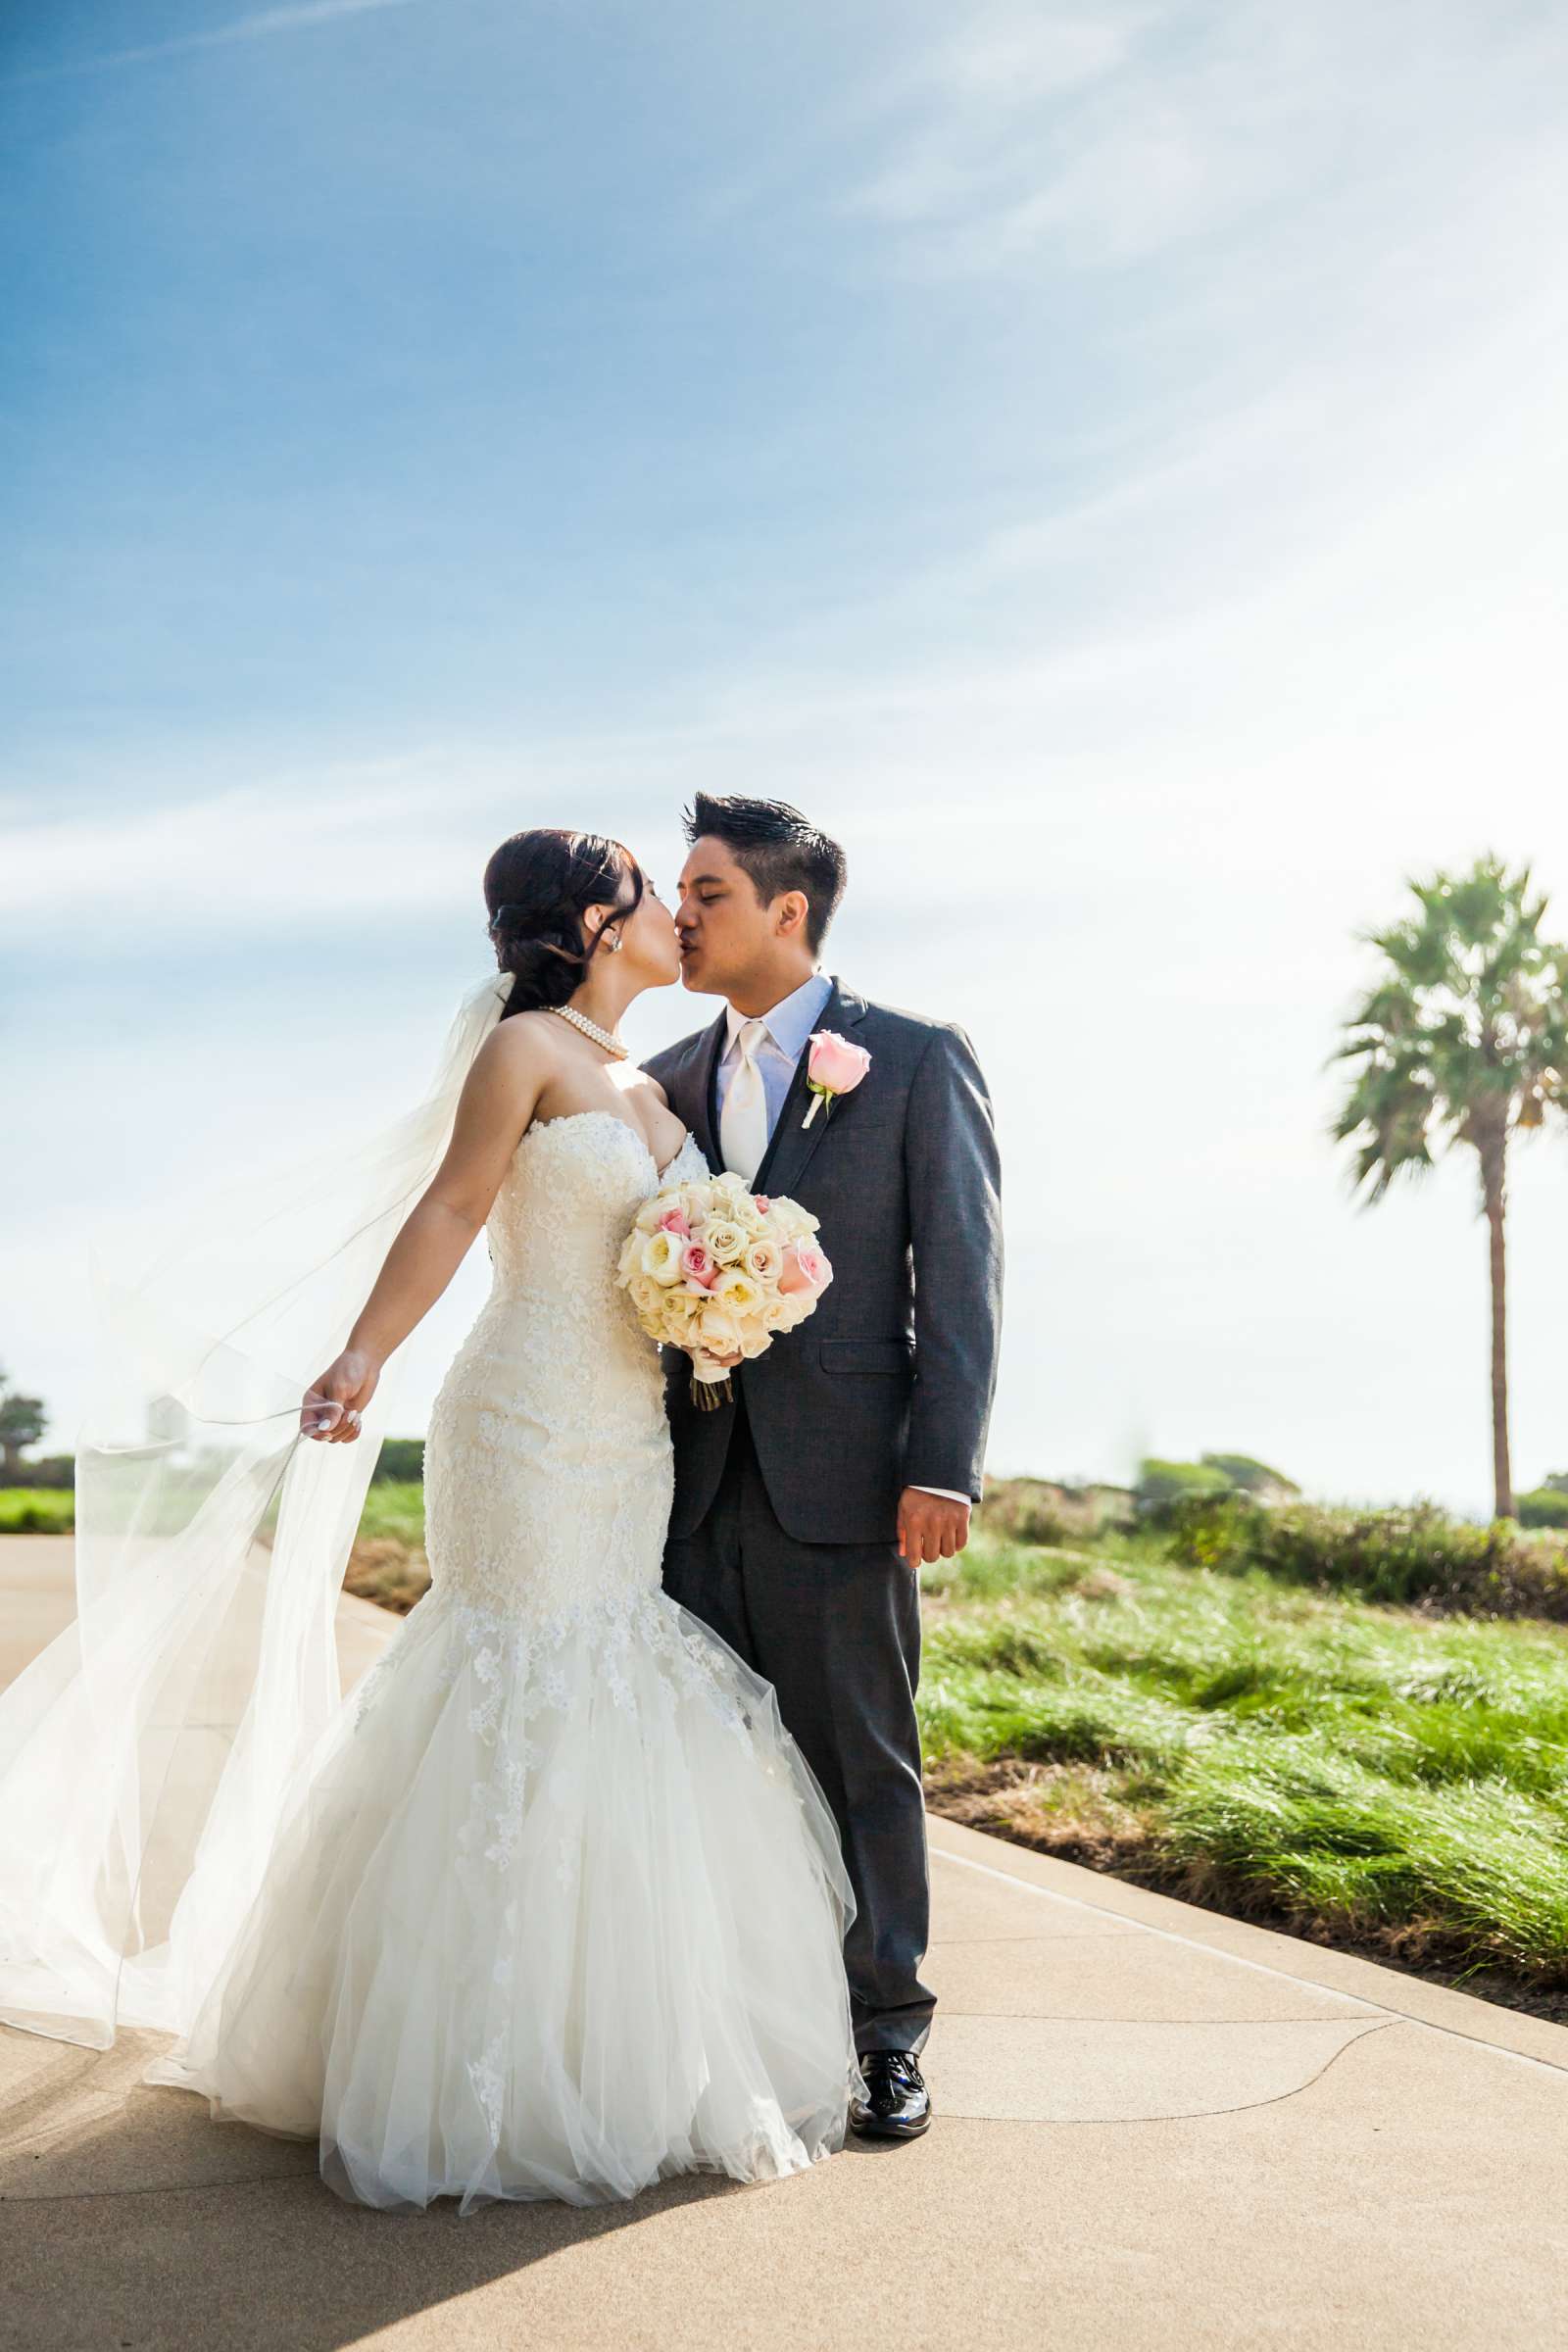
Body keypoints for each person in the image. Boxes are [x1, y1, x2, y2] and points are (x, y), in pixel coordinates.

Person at [0, 829, 864, 2216]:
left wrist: (727, 1303)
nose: (672, 913)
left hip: (626, 1438)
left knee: (611, 1680)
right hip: (518, 1420)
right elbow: (456, 1205)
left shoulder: (655, 1080)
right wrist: (363, 1357)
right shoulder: (524, 1052)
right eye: (650, 890)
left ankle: (598, 2042)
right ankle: (464, 2060)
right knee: (512, 1677)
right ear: (597, 918)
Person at [646, 796, 1004, 2142]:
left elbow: (959, 1276)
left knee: (863, 1758)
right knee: (704, 1762)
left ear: (787, 911)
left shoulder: (910, 1059)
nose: (679, 916)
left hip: (849, 1475)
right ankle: (736, 2023)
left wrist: (944, 1465)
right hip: (684, 1483)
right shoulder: (668, 1074)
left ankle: (887, 2037)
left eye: (707, 893)